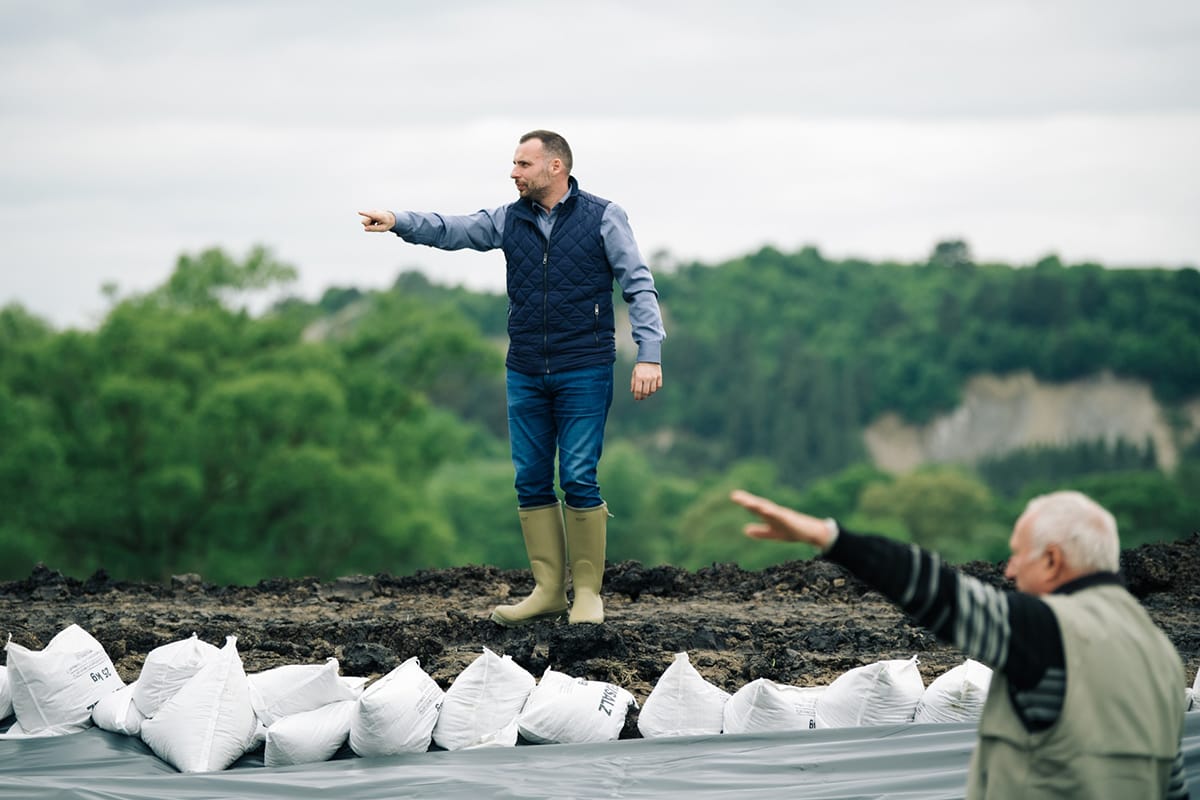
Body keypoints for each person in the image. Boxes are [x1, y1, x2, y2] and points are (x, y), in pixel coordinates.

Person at [359, 130, 664, 627]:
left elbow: (638, 284)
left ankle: (586, 594)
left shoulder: (603, 216)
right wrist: (398, 222)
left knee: (580, 477)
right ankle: (547, 590)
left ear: (555, 168)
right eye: (514, 164)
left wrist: (648, 354)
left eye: (523, 164)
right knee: (530, 480)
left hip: (584, 366)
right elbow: (451, 229)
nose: (514, 173)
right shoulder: (509, 218)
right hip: (524, 369)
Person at [729, 488, 1190, 799]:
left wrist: (829, 538)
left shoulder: (1049, 631)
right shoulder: (1161, 657)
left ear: (1052, 560)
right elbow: (1171, 787)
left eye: (1017, 554)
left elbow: (940, 591)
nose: (1008, 571)